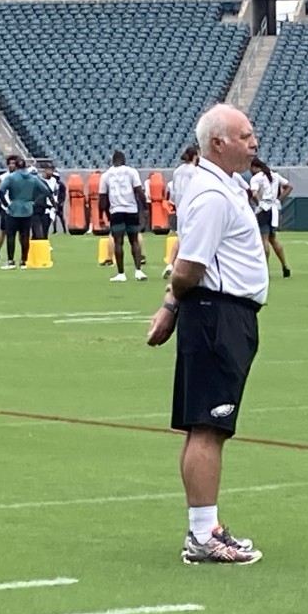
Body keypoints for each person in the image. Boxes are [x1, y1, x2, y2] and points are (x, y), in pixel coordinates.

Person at [146, 103, 266, 566]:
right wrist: (172, 303)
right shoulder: (211, 195)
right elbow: (189, 266)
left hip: (223, 312)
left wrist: (172, 306)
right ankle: (203, 533)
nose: (254, 141)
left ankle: (205, 528)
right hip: (218, 314)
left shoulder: (223, 186)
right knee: (208, 424)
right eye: (245, 135)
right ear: (219, 142)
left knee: (209, 425)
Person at [100, 150, 148, 282]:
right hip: (131, 209)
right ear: (124, 159)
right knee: (134, 241)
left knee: (118, 242)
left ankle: (121, 273)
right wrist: (145, 207)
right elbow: (139, 191)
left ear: (112, 161)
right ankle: (138, 271)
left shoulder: (106, 175)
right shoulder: (132, 171)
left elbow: (102, 197)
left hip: (116, 210)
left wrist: (101, 215)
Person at [0, 156, 50, 269]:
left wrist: (6, 204)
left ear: (16, 165)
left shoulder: (11, 177)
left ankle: (11, 261)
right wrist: (34, 202)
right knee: (25, 236)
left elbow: (1, 190)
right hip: (28, 208)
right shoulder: (33, 178)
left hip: (14, 208)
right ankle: (23, 261)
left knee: (11, 235)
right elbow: (45, 191)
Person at [248, 156, 292, 278]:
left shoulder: (256, 178)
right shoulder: (274, 175)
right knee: (273, 239)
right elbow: (289, 186)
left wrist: (258, 203)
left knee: (264, 240)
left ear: (254, 167)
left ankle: (265, 270)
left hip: (264, 209)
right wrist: (279, 200)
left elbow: (254, 193)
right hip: (274, 209)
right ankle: (285, 266)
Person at [163, 145, 199, 279]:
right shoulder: (195, 171)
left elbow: (173, 192)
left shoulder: (177, 171)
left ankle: (171, 264)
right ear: (195, 156)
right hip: (193, 207)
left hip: (180, 208)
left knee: (181, 237)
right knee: (194, 238)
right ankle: (186, 267)